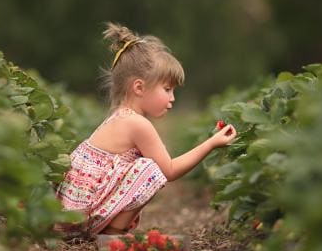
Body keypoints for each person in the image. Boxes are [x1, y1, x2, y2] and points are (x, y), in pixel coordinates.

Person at [55, 23, 237, 237]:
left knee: (144, 167)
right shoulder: (137, 124)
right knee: (150, 170)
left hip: (71, 211)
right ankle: (112, 234)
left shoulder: (120, 116)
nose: (172, 98)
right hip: (80, 214)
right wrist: (211, 143)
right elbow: (168, 171)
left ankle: (108, 230)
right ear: (139, 87)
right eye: (167, 89)